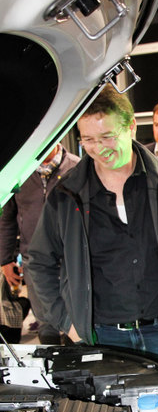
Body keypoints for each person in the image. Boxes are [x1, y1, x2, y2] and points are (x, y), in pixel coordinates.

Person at [27, 85, 158, 372]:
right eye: (89, 139)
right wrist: (68, 323)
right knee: (105, 405)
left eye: (108, 136)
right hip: (99, 337)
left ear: (131, 126)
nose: (99, 149)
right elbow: (38, 261)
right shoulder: (66, 194)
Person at [0, 143, 80, 343]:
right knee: (45, 320)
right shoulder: (20, 172)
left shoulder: (77, 167)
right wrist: (5, 260)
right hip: (34, 260)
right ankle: (51, 360)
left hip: (73, 259)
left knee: (77, 319)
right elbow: (7, 218)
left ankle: (76, 358)